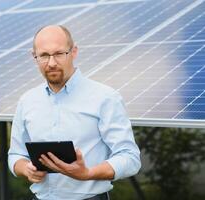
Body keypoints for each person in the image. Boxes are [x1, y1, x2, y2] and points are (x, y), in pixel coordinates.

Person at [8, 25, 141, 200]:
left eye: (59, 53)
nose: (52, 63)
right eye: (44, 55)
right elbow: (15, 155)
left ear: (74, 52)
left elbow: (130, 158)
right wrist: (26, 168)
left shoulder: (105, 98)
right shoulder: (27, 101)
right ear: (34, 57)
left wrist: (87, 173)